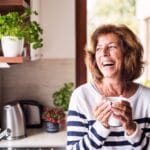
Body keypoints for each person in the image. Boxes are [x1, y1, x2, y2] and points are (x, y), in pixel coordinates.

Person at [67, 24, 150, 150]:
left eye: (111, 47)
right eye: (99, 48)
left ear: (128, 54)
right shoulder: (81, 96)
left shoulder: (147, 98)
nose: (104, 53)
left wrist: (132, 128)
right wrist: (101, 126)